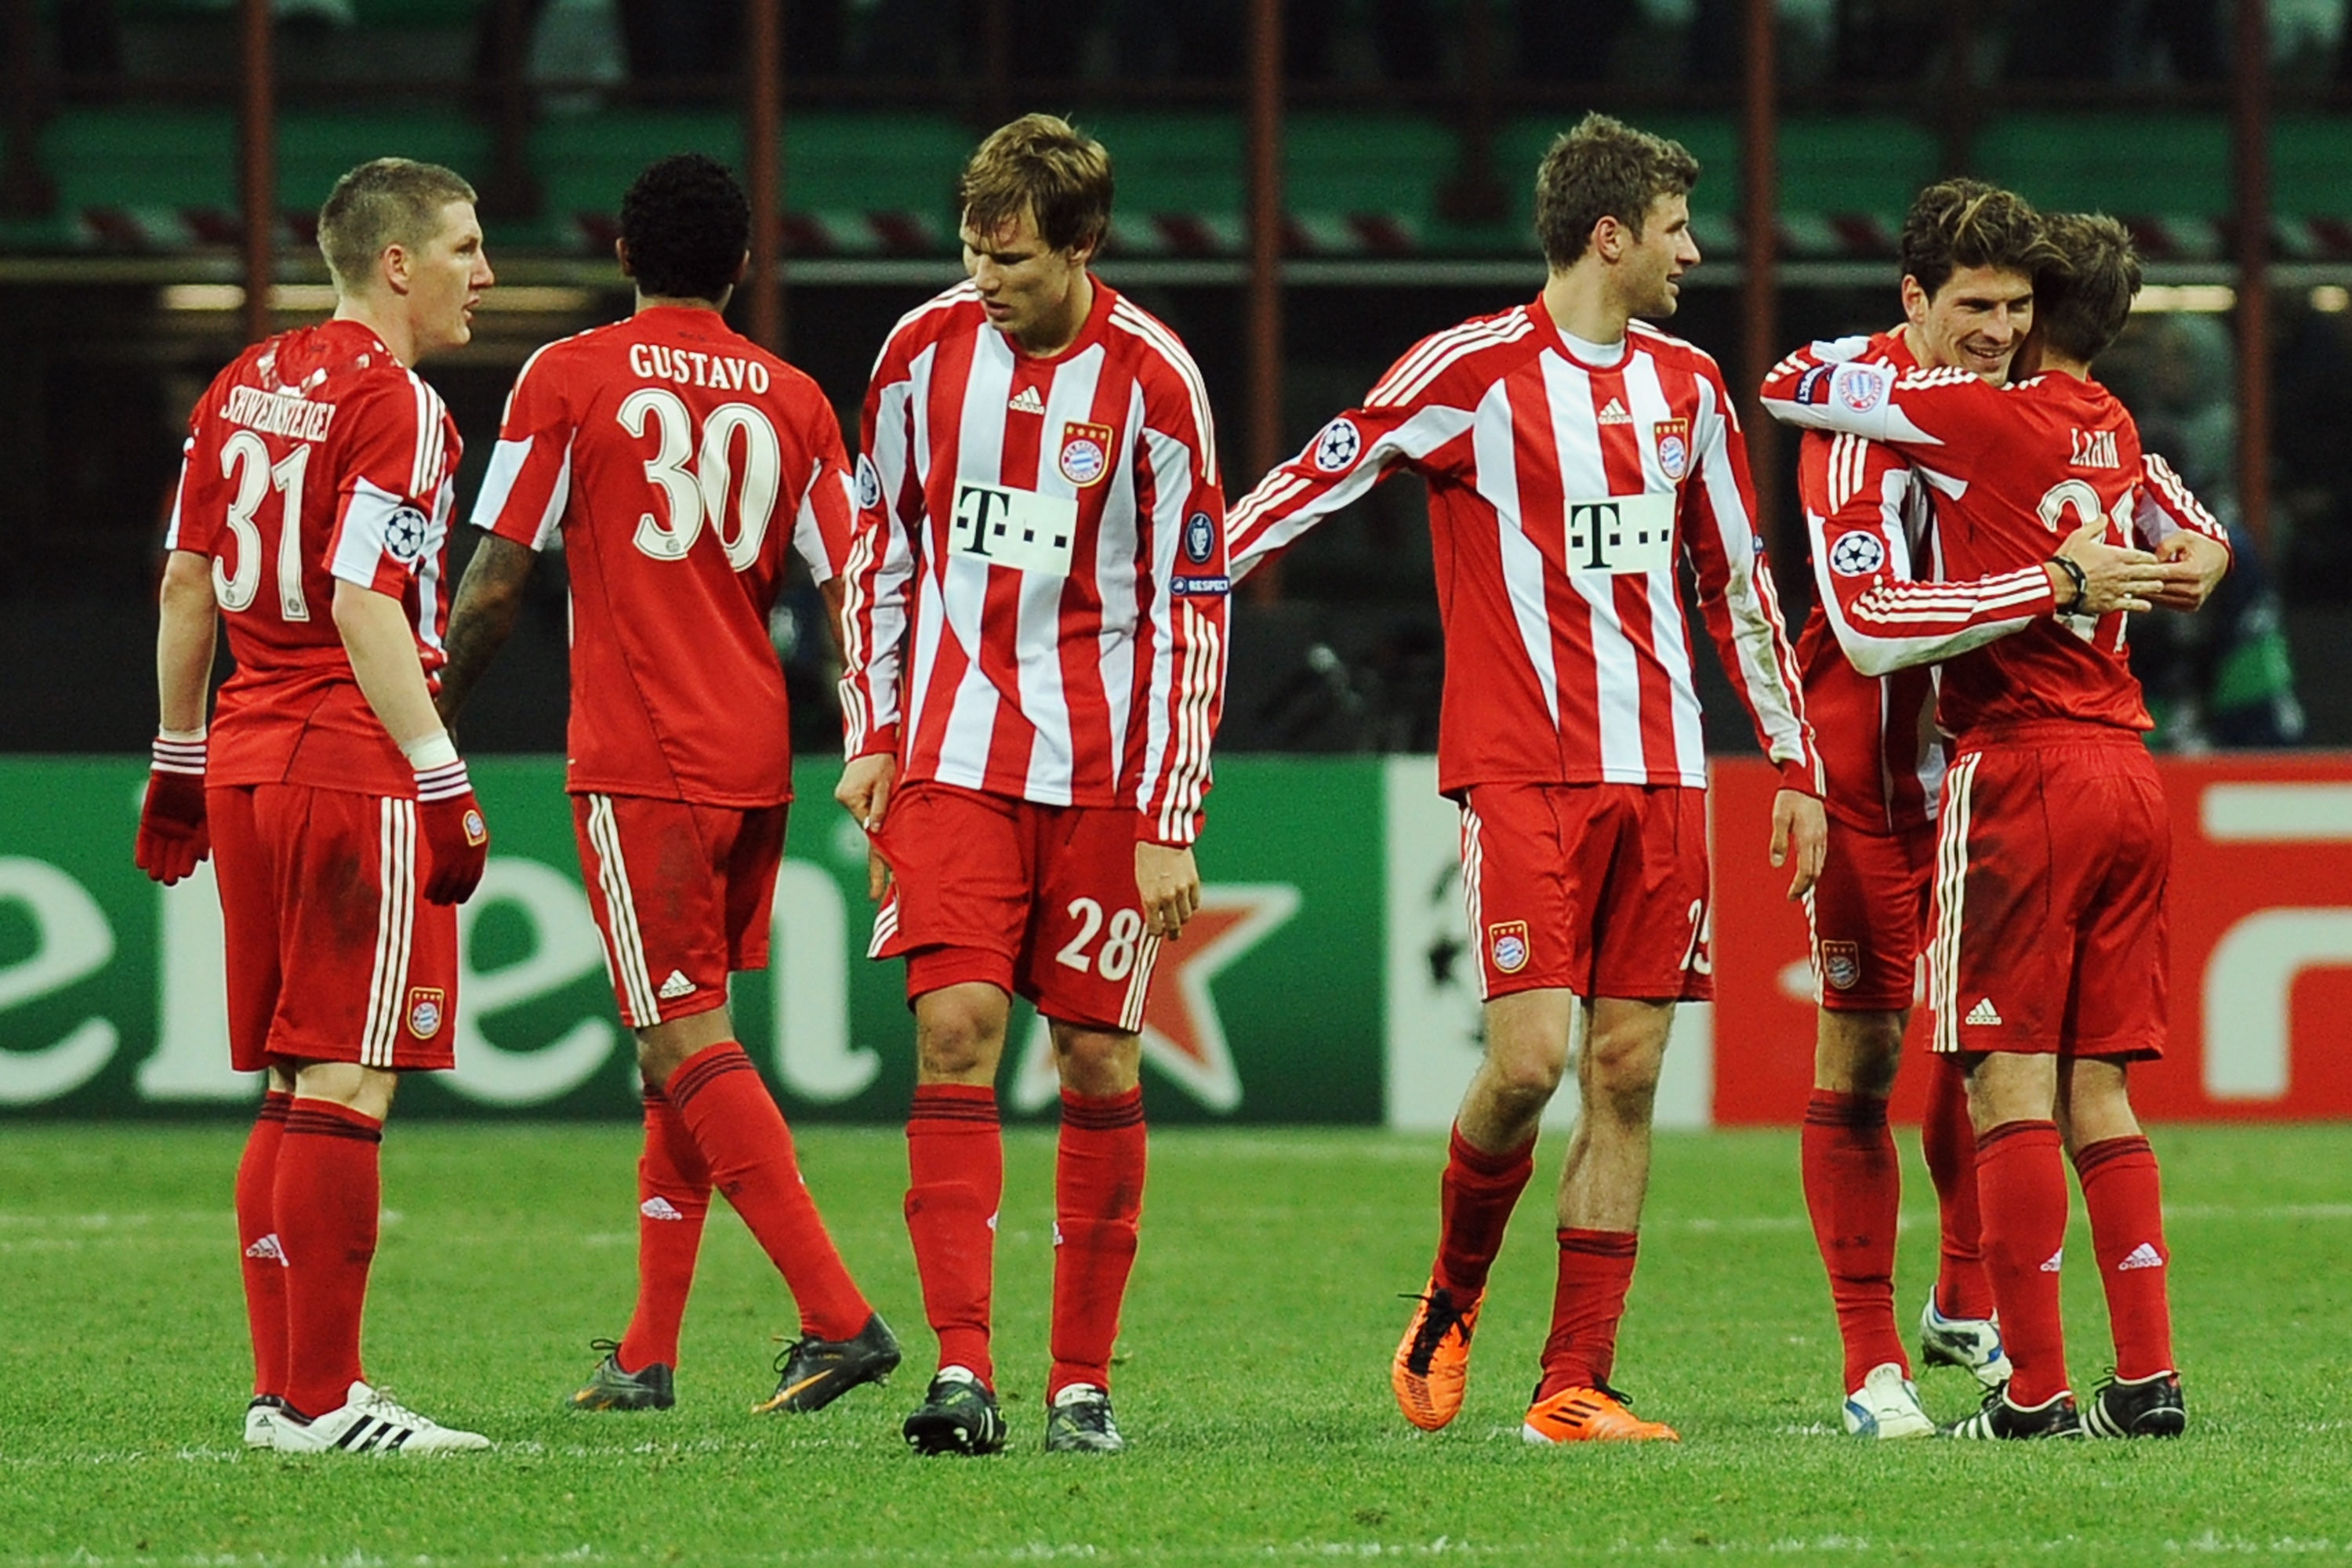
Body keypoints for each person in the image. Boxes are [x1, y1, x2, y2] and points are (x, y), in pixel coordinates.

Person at [1225, 112, 1828, 1444]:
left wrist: (1793, 758)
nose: (1693, 251)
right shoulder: (1471, 372)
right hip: (1523, 770)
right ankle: (1449, 1300)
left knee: (1625, 1071)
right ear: (1610, 236)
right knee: (1528, 1063)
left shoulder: (1689, 389)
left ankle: (1576, 1381)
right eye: (1676, 228)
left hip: (1663, 772)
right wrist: (1188, 568)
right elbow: (1319, 479)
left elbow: (1739, 587)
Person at [437, 153, 898, 1417]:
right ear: (742, 265)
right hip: (755, 756)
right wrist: (872, 728)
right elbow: (857, 588)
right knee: (680, 1052)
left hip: (643, 758)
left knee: (678, 1037)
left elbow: (496, 577)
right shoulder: (796, 398)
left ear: (625, 256)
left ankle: (839, 1315)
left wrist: (428, 722)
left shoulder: (569, 375)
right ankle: (646, 1353)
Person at [1762, 212, 2232, 1439]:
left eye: (2019, 310)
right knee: (1880, 1061)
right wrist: (2063, 578)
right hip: (1881, 778)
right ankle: (1877, 1364)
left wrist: (2193, 553)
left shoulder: (2020, 408)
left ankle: (1985, 1317)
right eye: (1975, 306)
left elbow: (2193, 525)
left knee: (1991, 1061)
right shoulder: (1872, 426)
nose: (1999, 330)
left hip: (1999, 775)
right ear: (1917, 298)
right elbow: (1866, 619)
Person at [834, 113, 1228, 1457]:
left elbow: (1192, 609)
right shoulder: (916, 356)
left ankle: (1081, 1382)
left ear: (1082, 245)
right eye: (970, 249)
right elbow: (876, 548)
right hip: (951, 759)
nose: (982, 278)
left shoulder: (1158, 382)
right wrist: (872, 727)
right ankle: (961, 1372)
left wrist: (1172, 815)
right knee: (951, 1035)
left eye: (1008, 258)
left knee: (1098, 1055)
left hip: (1107, 779)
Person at [132, 157, 498, 1454]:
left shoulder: (241, 383)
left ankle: (282, 1397)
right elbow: (364, 601)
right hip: (351, 764)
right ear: (397, 264)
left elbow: (187, 583)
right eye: (463, 246)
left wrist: (178, 758)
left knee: (294, 1080)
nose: (484, 273)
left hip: (242, 756)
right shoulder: (400, 404)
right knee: (348, 1077)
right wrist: (442, 774)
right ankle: (326, 1399)